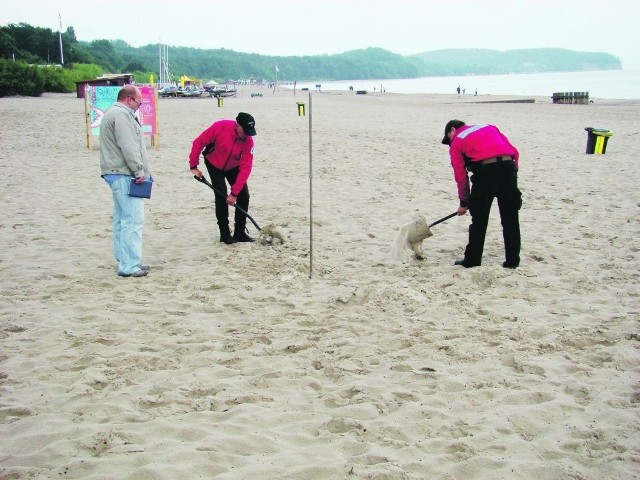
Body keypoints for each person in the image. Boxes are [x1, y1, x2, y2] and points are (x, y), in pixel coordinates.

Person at [441, 120, 522, 269]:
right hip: (509, 168)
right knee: (510, 218)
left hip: (486, 172)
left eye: (448, 138)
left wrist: (464, 202)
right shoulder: (489, 127)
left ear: (452, 130)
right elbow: (515, 152)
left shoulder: (457, 140)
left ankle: (472, 260)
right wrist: (512, 175)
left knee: (479, 218)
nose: (449, 143)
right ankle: (512, 261)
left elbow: (460, 176)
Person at [99, 85, 151, 277]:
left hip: (115, 172)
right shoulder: (121, 115)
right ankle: (129, 265)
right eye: (139, 101)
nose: (140, 105)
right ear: (129, 99)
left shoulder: (113, 113)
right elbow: (128, 145)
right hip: (124, 173)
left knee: (122, 220)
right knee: (133, 220)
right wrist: (139, 170)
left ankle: (125, 260)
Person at [189, 113, 257, 244]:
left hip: (234, 166)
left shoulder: (248, 140)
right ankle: (224, 234)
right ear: (237, 125)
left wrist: (234, 193)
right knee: (221, 196)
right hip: (214, 163)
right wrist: (194, 165)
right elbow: (198, 142)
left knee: (244, 196)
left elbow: (246, 167)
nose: (247, 135)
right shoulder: (220, 127)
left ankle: (240, 233)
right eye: (245, 131)